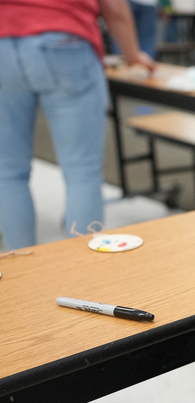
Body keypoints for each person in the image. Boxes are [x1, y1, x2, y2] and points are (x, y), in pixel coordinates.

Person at [0, 0, 156, 251]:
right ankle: (83, 276)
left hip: (3, 41)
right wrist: (133, 56)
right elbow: (114, 8)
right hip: (65, 39)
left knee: (7, 173)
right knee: (82, 173)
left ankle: (19, 276)